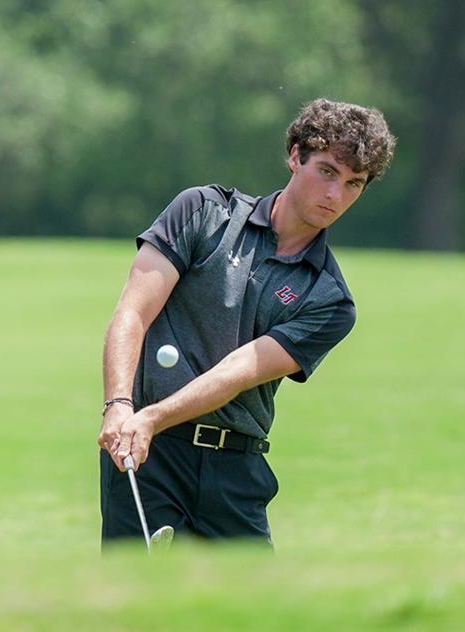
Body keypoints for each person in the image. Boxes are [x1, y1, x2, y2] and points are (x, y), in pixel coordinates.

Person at [98, 98, 396, 545]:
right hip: (149, 455)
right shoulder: (202, 212)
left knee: (254, 612)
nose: (336, 195)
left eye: (354, 183)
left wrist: (152, 417)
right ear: (296, 156)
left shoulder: (330, 301)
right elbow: (132, 312)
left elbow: (239, 371)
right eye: (328, 172)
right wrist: (120, 405)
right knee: (137, 604)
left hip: (234, 471)